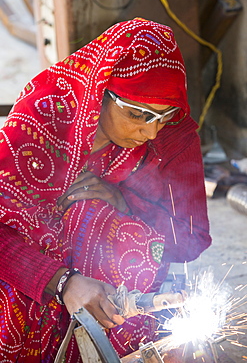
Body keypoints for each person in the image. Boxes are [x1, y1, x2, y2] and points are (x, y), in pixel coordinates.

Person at [0, 18, 211, 362]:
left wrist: (125, 202)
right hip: (36, 276)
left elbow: (193, 237)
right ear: (101, 89)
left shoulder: (174, 137)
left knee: (106, 224)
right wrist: (63, 282)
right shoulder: (46, 112)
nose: (152, 132)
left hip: (116, 293)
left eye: (164, 114)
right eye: (138, 114)